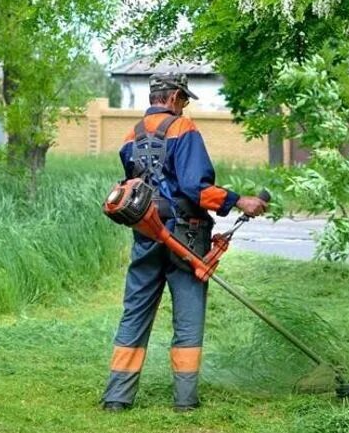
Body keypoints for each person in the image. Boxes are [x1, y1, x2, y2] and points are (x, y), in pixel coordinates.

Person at [101, 73, 267, 412]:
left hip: (146, 232)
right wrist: (239, 201)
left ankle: (117, 398)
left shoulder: (130, 136)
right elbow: (195, 187)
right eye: (185, 100)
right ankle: (185, 401)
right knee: (188, 317)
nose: (185, 106)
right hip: (186, 237)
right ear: (174, 96)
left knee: (135, 312)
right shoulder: (184, 130)